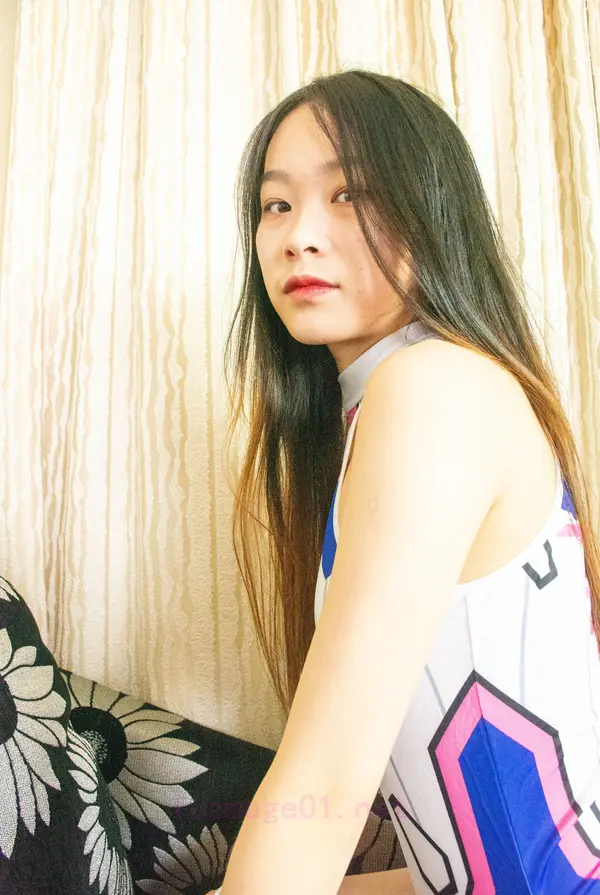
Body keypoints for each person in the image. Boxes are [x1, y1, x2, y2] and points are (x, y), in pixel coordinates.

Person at [210, 69, 600, 895]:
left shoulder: (433, 390)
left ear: (431, 211)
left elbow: (323, 793)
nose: (299, 236)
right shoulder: (392, 405)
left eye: (349, 194)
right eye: (276, 204)